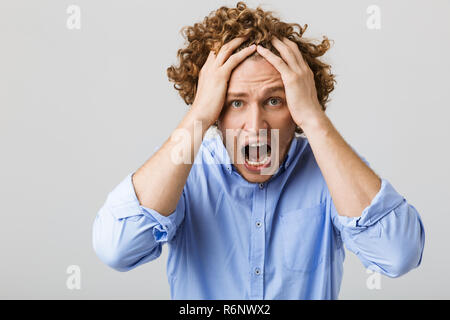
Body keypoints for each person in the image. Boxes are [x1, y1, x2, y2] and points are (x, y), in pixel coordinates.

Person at [92, 2, 425, 299]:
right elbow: (116, 250)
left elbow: (398, 254)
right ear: (215, 110)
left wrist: (313, 117)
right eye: (236, 102)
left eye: (274, 101)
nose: (255, 126)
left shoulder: (329, 169)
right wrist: (198, 115)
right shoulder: (185, 170)